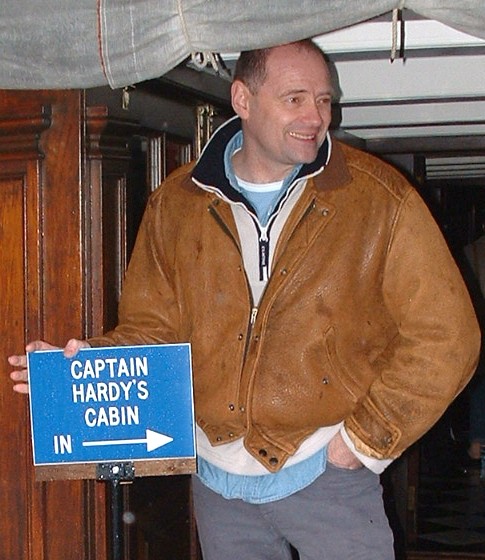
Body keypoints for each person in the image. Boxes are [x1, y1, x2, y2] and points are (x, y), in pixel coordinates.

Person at [9, 40, 480, 560]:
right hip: (218, 482)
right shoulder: (176, 203)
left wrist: (362, 443)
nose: (315, 117)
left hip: (330, 471)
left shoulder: (378, 199)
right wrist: (84, 370)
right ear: (242, 99)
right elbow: (154, 329)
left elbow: (448, 338)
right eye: (295, 98)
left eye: (324, 100)